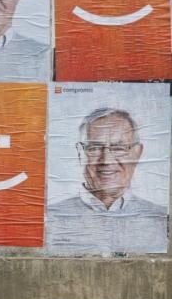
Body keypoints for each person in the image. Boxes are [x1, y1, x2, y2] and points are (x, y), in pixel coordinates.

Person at [47, 108, 168, 254]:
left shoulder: (161, 220)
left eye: (119, 148)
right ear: (80, 152)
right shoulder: (49, 219)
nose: (106, 160)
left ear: (137, 153)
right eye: (94, 148)